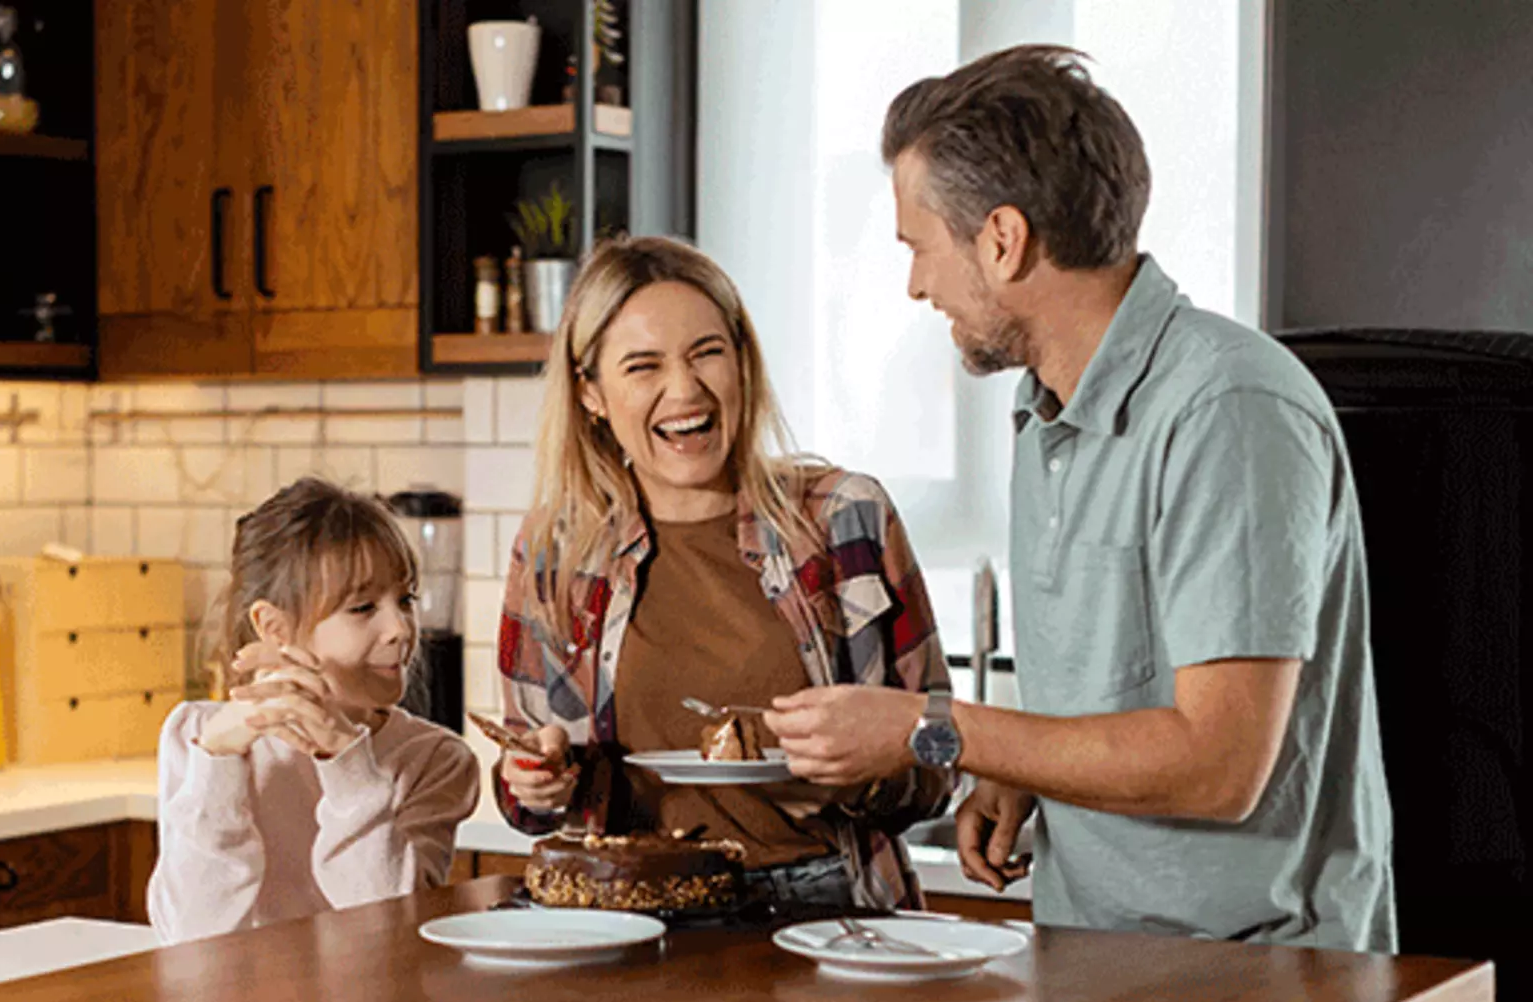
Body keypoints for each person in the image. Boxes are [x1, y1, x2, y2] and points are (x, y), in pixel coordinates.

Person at [766, 45, 1395, 951]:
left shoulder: (1228, 408)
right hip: (1096, 959)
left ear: (1003, 239)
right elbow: (1122, 693)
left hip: (1260, 982)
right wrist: (1023, 769)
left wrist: (932, 731)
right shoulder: (1046, 415)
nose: (916, 285)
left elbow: (1221, 766)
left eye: (920, 247)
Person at [493, 235, 951, 909]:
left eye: (707, 352)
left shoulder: (844, 518)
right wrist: (534, 780)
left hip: (825, 904)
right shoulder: (555, 549)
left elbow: (939, 753)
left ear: (742, 362)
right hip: (627, 910)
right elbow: (527, 799)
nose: (685, 390)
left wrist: (860, 771)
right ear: (591, 393)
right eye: (643, 366)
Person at [147, 479, 480, 943]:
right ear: (273, 627)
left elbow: (392, 929)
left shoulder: (435, 760)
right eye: (363, 607)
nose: (400, 629)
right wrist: (217, 763)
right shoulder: (197, 736)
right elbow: (189, 934)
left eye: (405, 599)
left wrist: (346, 759)